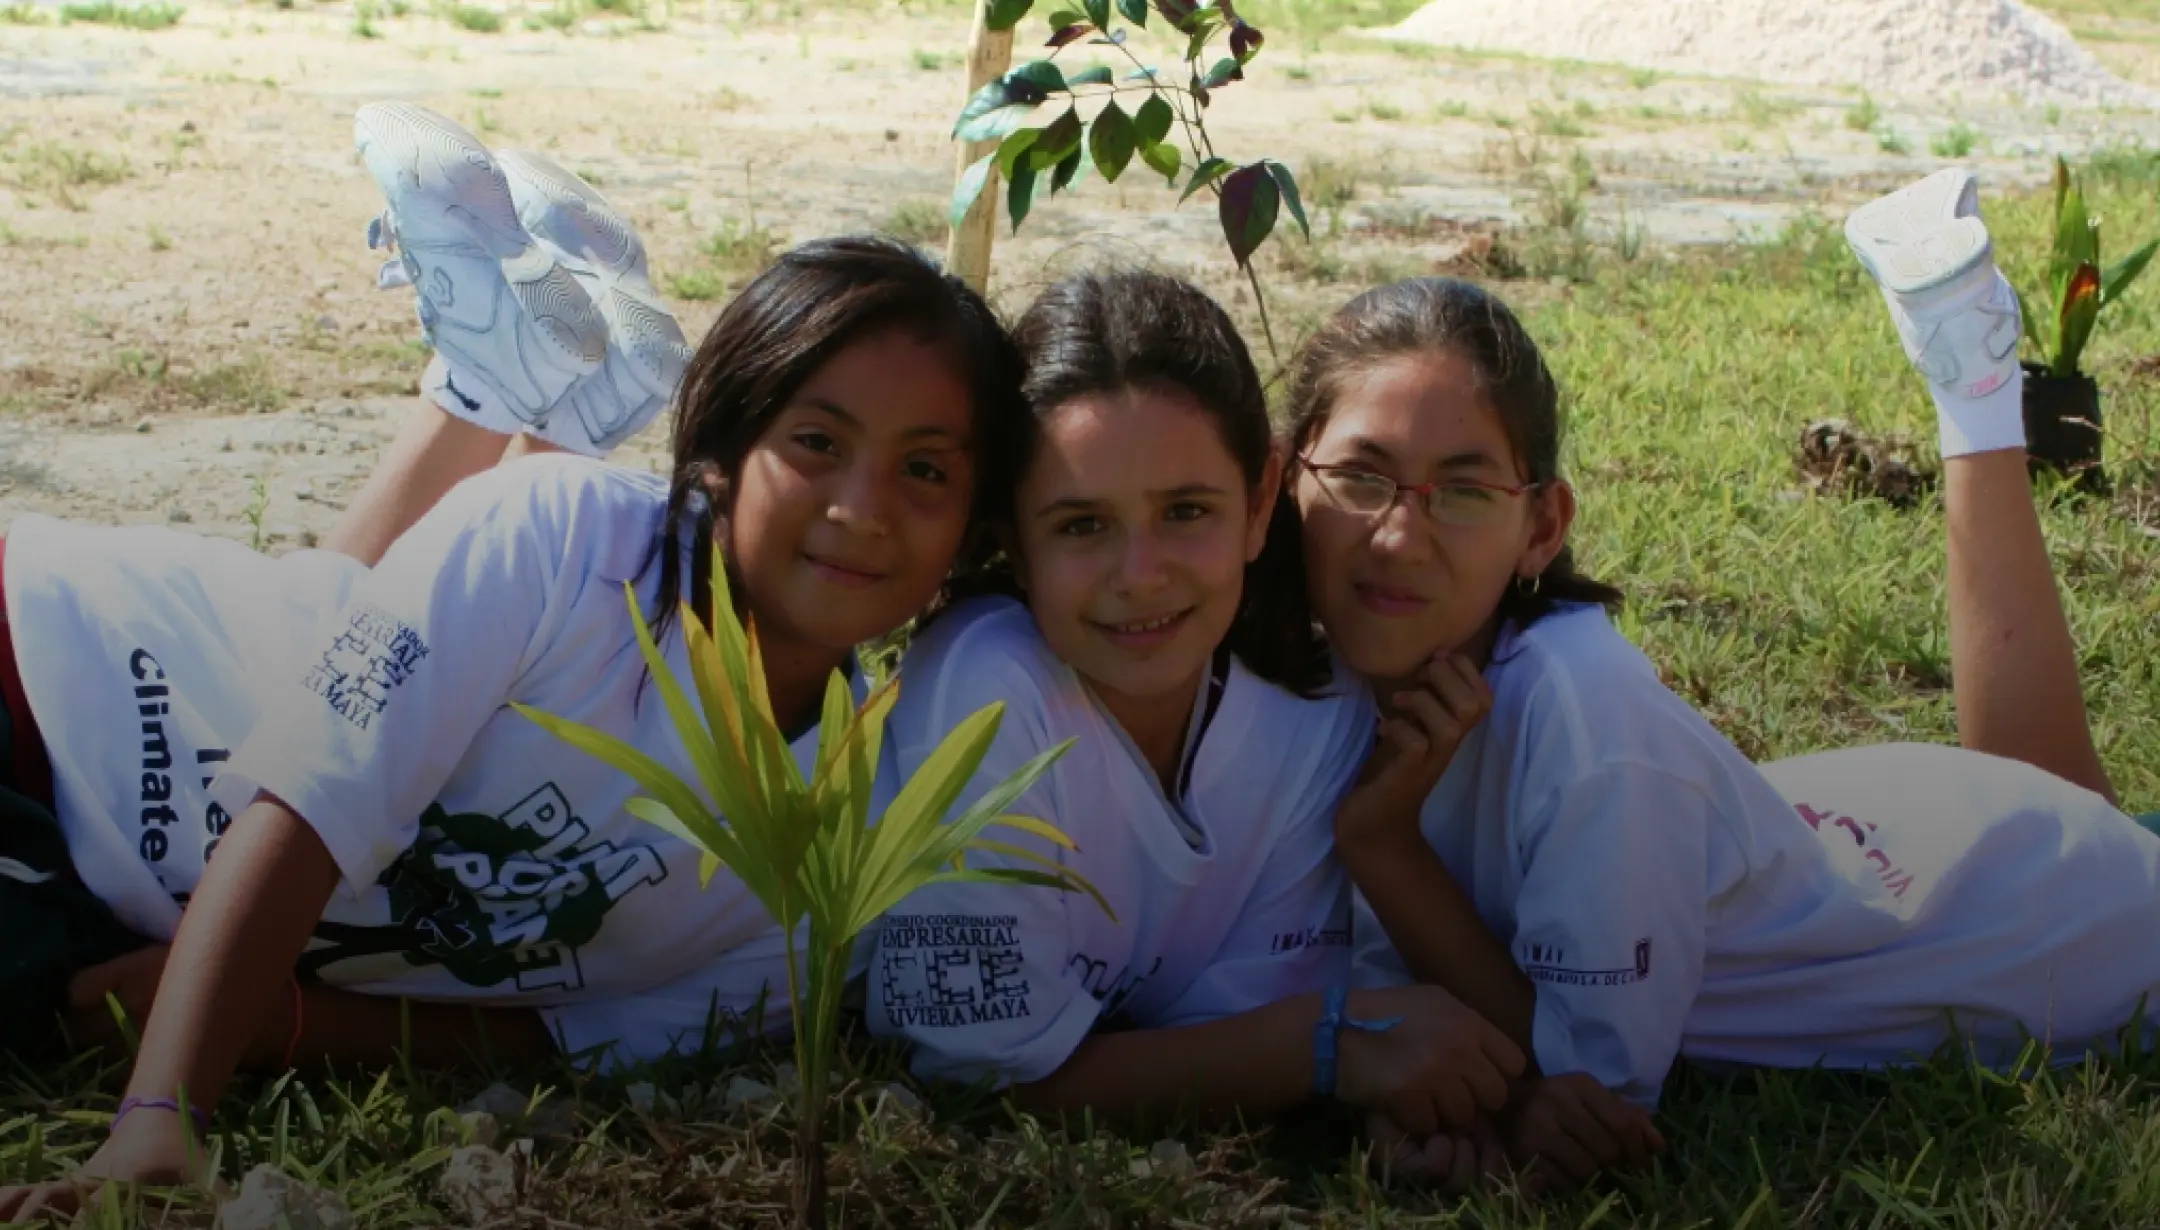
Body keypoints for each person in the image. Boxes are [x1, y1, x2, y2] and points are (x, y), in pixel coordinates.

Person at [0, 102, 1028, 1222]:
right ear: (719, 457)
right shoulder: (564, 538)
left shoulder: (836, 864)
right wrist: (162, 1122)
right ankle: (496, 386)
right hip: (50, 678)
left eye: (927, 472)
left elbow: (551, 1034)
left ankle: (498, 384)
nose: (862, 508)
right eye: (816, 443)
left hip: (104, 904)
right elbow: (304, 796)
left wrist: (277, 1023)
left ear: (975, 533)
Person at [1289, 167, 2158, 1191]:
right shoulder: (1303, 670)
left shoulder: (1587, 716)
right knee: (2056, 790)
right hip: (1918, 823)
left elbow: (1585, 1094)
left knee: (2091, 831)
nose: (1398, 536)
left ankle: (1973, 372)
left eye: (1466, 489)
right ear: (1284, 476)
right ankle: (1969, 366)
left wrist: (1384, 852)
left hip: (2047, 920)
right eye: (1360, 475)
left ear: (1545, 525)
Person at [863, 270, 1526, 1134]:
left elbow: (1221, 1039)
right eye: (1080, 526)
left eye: (1186, 511)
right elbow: (980, 1076)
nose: (1141, 577)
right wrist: (1326, 1049)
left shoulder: (1316, 716)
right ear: (1012, 545)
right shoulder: (981, 692)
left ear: (1260, 504)